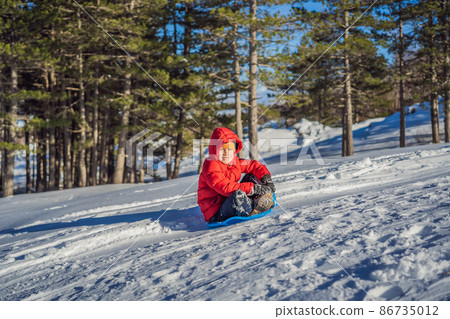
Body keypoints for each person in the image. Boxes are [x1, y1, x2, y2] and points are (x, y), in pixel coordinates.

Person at [197, 127, 276, 223]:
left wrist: (265, 178)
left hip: (228, 200)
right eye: (222, 149)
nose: (226, 153)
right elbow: (226, 187)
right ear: (214, 149)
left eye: (230, 149)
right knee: (238, 195)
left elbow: (254, 165)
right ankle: (253, 205)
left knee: (251, 177)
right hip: (216, 212)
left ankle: (260, 202)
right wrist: (254, 189)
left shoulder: (234, 162)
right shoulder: (211, 166)